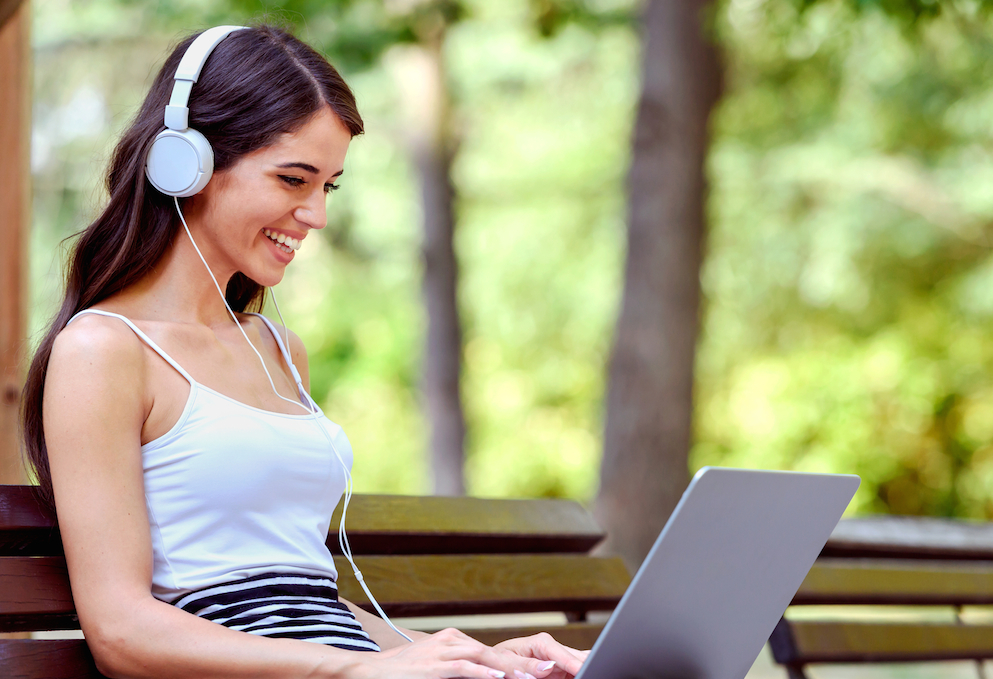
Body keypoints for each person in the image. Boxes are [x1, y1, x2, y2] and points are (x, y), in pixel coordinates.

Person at [22, 24, 586, 679]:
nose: (316, 214)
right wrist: (353, 672)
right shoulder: (103, 350)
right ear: (186, 162)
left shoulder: (279, 350)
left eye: (329, 187)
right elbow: (121, 633)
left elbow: (307, 608)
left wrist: (477, 658)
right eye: (294, 179)